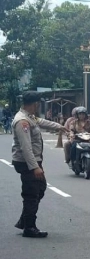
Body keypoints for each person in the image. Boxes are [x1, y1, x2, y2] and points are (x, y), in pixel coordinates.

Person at [12, 93, 68, 238]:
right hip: (27, 162)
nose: (38, 106)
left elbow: (41, 122)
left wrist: (59, 126)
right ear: (35, 104)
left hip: (32, 161)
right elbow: (26, 148)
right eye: (38, 103)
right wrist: (34, 167)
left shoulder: (29, 117)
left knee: (40, 188)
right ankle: (29, 227)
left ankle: (24, 220)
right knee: (32, 193)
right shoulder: (22, 121)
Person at [67, 107, 90, 172]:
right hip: (78, 139)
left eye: (83, 114)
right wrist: (72, 134)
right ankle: (73, 161)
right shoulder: (73, 122)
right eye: (80, 114)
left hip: (89, 140)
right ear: (77, 115)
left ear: (85, 115)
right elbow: (71, 130)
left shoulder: (89, 122)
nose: (81, 116)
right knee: (73, 147)